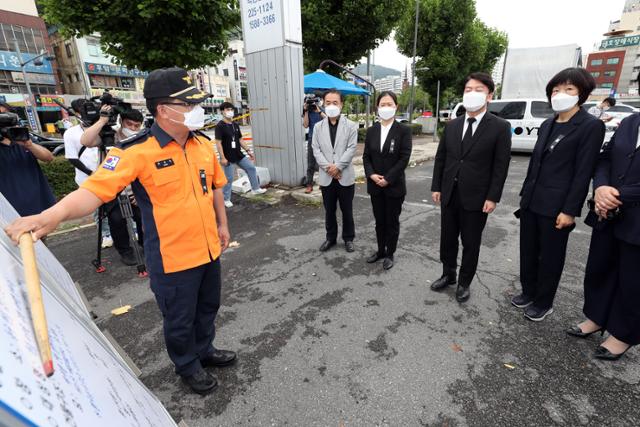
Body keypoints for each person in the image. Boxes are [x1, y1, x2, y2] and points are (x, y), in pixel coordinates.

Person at [4, 67, 236, 395]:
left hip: (208, 248)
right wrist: (50, 216)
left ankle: (205, 350)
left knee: (207, 307)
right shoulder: (134, 151)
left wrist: (223, 225)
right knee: (179, 319)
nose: (195, 111)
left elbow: (214, 186)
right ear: (163, 110)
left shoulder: (200, 143)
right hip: (173, 258)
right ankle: (187, 365)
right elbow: (94, 191)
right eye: (188, 105)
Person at [514, 67, 605, 321]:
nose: (560, 94)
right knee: (528, 250)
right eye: (556, 90)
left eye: (568, 89)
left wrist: (569, 210)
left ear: (581, 94)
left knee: (551, 257)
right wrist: (525, 195)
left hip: (557, 205)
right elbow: (536, 164)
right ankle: (528, 292)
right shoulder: (547, 124)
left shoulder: (590, 126)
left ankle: (544, 302)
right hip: (532, 200)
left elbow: (583, 172)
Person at [566, 91, 640, 360]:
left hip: (633, 216)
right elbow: (605, 158)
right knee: (600, 266)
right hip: (607, 213)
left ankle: (624, 334)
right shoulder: (631, 123)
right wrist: (601, 187)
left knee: (633, 279)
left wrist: (616, 195)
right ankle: (596, 317)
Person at [430, 72, 512, 303]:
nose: (472, 93)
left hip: (477, 197)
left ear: (489, 95)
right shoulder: (453, 125)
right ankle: (449, 274)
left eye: (478, 89)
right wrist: (437, 186)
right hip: (449, 193)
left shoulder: (499, 127)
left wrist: (493, 196)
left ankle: (465, 282)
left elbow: (500, 166)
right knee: (447, 238)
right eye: (468, 89)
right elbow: (441, 158)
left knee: (470, 242)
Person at [76, 104, 146, 266]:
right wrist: (102, 120)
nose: (133, 128)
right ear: (121, 122)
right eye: (130, 124)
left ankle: (145, 244)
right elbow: (86, 140)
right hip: (112, 188)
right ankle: (125, 251)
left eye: (137, 125)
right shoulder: (110, 135)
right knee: (116, 220)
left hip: (134, 188)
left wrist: (141, 191)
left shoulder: (143, 138)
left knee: (143, 217)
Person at [362, 91, 412, 270]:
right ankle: (380, 250)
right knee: (379, 221)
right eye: (382, 104)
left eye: (389, 104)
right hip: (375, 186)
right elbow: (366, 157)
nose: (386, 107)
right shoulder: (372, 130)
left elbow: (404, 158)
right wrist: (372, 175)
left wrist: (388, 179)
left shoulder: (404, 130)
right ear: (377, 107)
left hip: (394, 186)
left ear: (396, 106)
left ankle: (390, 253)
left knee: (392, 221)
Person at [312, 89, 358, 253]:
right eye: (328, 102)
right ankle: (330, 238)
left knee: (347, 210)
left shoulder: (351, 126)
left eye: (335, 102)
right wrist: (329, 168)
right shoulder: (318, 127)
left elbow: (351, 149)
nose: (331, 105)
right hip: (326, 177)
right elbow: (316, 149)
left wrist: (337, 167)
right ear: (323, 103)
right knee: (329, 210)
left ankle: (348, 238)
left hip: (345, 175)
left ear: (341, 104)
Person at [64, 99, 114, 249]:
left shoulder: (107, 127)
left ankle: (129, 229)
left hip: (111, 176)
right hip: (87, 178)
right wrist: (91, 172)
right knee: (98, 208)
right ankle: (106, 234)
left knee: (118, 205)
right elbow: (72, 157)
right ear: (77, 113)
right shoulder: (71, 133)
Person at [0, 111, 56, 217]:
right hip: (8, 209)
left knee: (39, 233)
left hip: (38, 202)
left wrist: (29, 145)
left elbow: (48, 157)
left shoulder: (24, 138)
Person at [214, 102, 265, 208]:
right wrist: (222, 157)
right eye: (227, 109)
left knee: (251, 168)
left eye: (231, 109)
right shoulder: (220, 126)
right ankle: (226, 199)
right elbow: (218, 143)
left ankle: (255, 188)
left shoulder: (235, 124)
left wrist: (248, 151)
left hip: (238, 154)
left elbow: (240, 139)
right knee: (229, 178)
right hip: (228, 156)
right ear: (222, 111)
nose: (230, 111)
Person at [302, 93, 325, 193]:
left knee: (323, 163)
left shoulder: (321, 109)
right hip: (312, 139)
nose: (311, 103)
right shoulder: (307, 111)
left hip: (324, 139)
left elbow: (328, 120)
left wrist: (319, 110)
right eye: (309, 101)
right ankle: (309, 184)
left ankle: (323, 183)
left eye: (313, 101)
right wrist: (306, 111)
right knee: (310, 163)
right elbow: (306, 125)